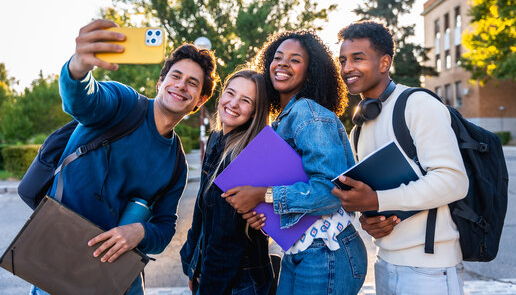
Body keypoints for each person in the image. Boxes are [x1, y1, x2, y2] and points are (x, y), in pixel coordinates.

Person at [30, 19, 217, 295]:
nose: (181, 86)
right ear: (160, 82)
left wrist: (139, 233)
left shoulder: (176, 161)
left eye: (192, 83)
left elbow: (164, 227)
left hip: (117, 272)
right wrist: (79, 66)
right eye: (175, 76)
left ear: (199, 100)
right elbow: (81, 100)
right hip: (63, 252)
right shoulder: (124, 103)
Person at [222, 31, 367, 295]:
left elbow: (331, 192)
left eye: (295, 59)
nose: (282, 64)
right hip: (300, 250)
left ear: (311, 71)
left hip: (327, 252)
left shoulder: (309, 115)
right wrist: (263, 216)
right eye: (277, 57)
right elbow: (293, 187)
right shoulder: (282, 121)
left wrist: (261, 195)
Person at [331, 21, 468, 295]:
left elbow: (454, 181)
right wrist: (369, 218)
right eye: (343, 60)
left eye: (358, 58)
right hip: (384, 263)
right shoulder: (359, 127)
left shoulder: (418, 105)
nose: (347, 68)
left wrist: (378, 200)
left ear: (384, 63)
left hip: (430, 271)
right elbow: (375, 196)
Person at [180, 69, 273, 295]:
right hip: (213, 273)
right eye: (230, 93)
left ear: (255, 112)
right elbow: (201, 215)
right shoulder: (216, 140)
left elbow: (226, 241)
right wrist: (194, 267)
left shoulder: (245, 156)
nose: (233, 103)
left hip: (239, 282)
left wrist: (207, 286)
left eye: (246, 100)